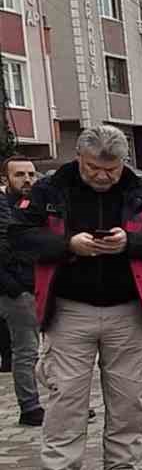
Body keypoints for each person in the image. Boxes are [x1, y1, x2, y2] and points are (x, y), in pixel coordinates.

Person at [13, 125, 142, 470]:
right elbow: (21, 239)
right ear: (79, 159)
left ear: (123, 163)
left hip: (127, 308)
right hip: (69, 308)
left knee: (127, 397)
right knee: (65, 398)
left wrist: (130, 242)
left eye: (111, 168)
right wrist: (67, 245)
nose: (102, 176)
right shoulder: (50, 191)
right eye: (93, 168)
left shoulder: (141, 192)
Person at [0, 156, 42, 425]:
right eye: (19, 175)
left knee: (47, 349)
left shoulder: (32, 205)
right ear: (5, 179)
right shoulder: (4, 208)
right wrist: (14, 287)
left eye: (31, 174)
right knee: (26, 350)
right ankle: (30, 408)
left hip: (34, 285)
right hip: (15, 289)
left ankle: (64, 403)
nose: (27, 180)